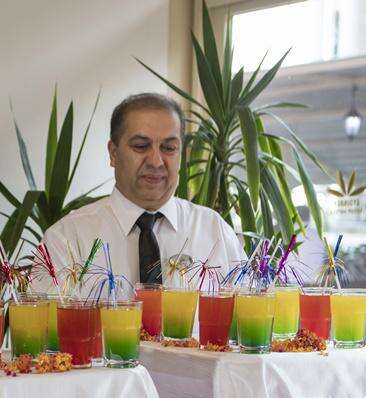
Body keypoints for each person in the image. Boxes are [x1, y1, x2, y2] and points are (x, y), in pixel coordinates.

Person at [42, 93, 245, 287]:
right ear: (113, 154)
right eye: (140, 146)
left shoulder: (214, 231)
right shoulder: (67, 239)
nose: (156, 162)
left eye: (169, 148)